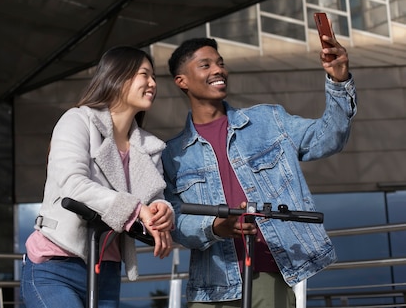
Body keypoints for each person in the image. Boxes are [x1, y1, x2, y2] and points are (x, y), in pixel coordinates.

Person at [162, 35, 357, 307]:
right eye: (205, 65)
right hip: (211, 284)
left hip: (266, 270)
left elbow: (328, 139)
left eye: (220, 63)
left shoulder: (268, 120)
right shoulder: (172, 154)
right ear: (181, 81)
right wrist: (218, 227)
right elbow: (176, 222)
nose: (219, 70)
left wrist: (338, 81)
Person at [20, 46, 175, 308]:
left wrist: (163, 211)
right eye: (144, 74)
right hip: (55, 264)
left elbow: (155, 199)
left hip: (106, 270)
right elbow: (73, 184)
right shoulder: (77, 120)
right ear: (116, 76)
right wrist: (137, 210)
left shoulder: (150, 147)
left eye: (153, 77)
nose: (152, 83)